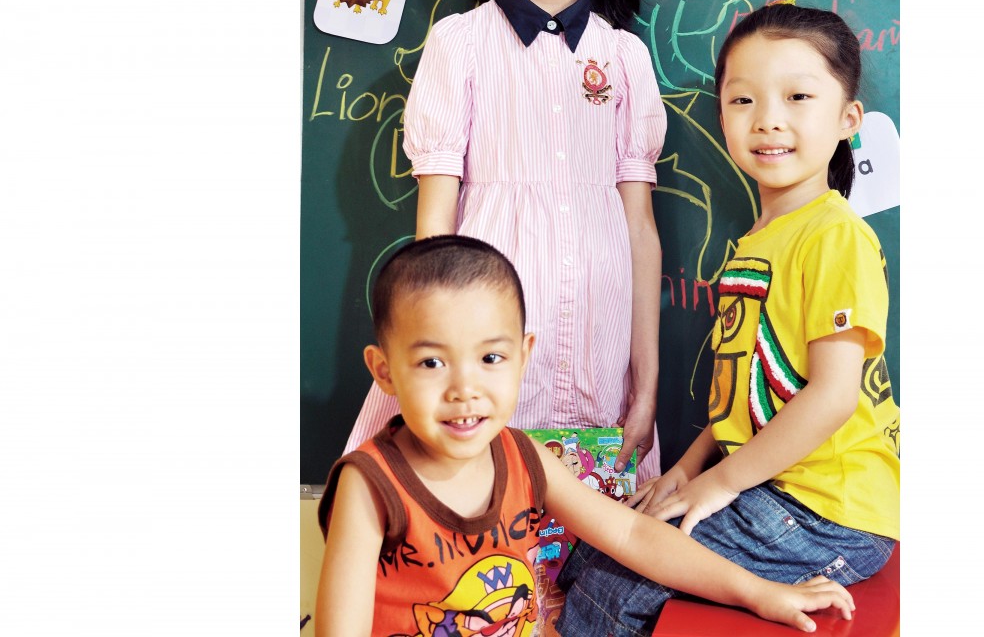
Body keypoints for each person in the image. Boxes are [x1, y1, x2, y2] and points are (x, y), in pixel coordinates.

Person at [343, 0, 666, 479]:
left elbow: (639, 228)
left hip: (601, 340)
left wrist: (647, 383)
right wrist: (435, 349)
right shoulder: (459, 44)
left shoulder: (624, 57)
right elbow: (434, 227)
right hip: (485, 333)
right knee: (484, 513)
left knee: (589, 528)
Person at [554, 4, 900, 637]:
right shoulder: (758, 241)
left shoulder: (834, 235)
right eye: (743, 100)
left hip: (830, 510)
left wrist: (720, 485)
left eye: (798, 97)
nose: (768, 119)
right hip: (769, 488)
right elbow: (742, 401)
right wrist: (686, 472)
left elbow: (832, 396)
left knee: (611, 591)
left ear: (848, 120)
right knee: (588, 559)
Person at [315, 235, 855, 637]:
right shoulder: (370, 485)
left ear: (523, 356)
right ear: (384, 371)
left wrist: (760, 593)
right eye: (432, 362)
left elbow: (634, 535)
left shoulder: (521, 456)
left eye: (491, 358)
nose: (465, 389)